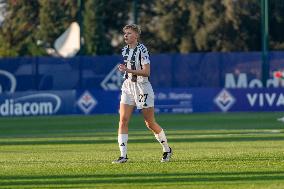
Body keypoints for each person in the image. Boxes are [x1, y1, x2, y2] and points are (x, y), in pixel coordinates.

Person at [112, 24, 172, 163]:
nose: (125, 35)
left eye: (129, 33)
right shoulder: (125, 50)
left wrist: (128, 69)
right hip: (128, 86)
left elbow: (146, 72)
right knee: (123, 120)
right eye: (125, 33)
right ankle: (123, 156)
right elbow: (129, 69)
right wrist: (126, 71)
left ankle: (167, 149)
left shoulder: (142, 50)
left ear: (136, 36)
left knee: (149, 123)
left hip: (142, 87)